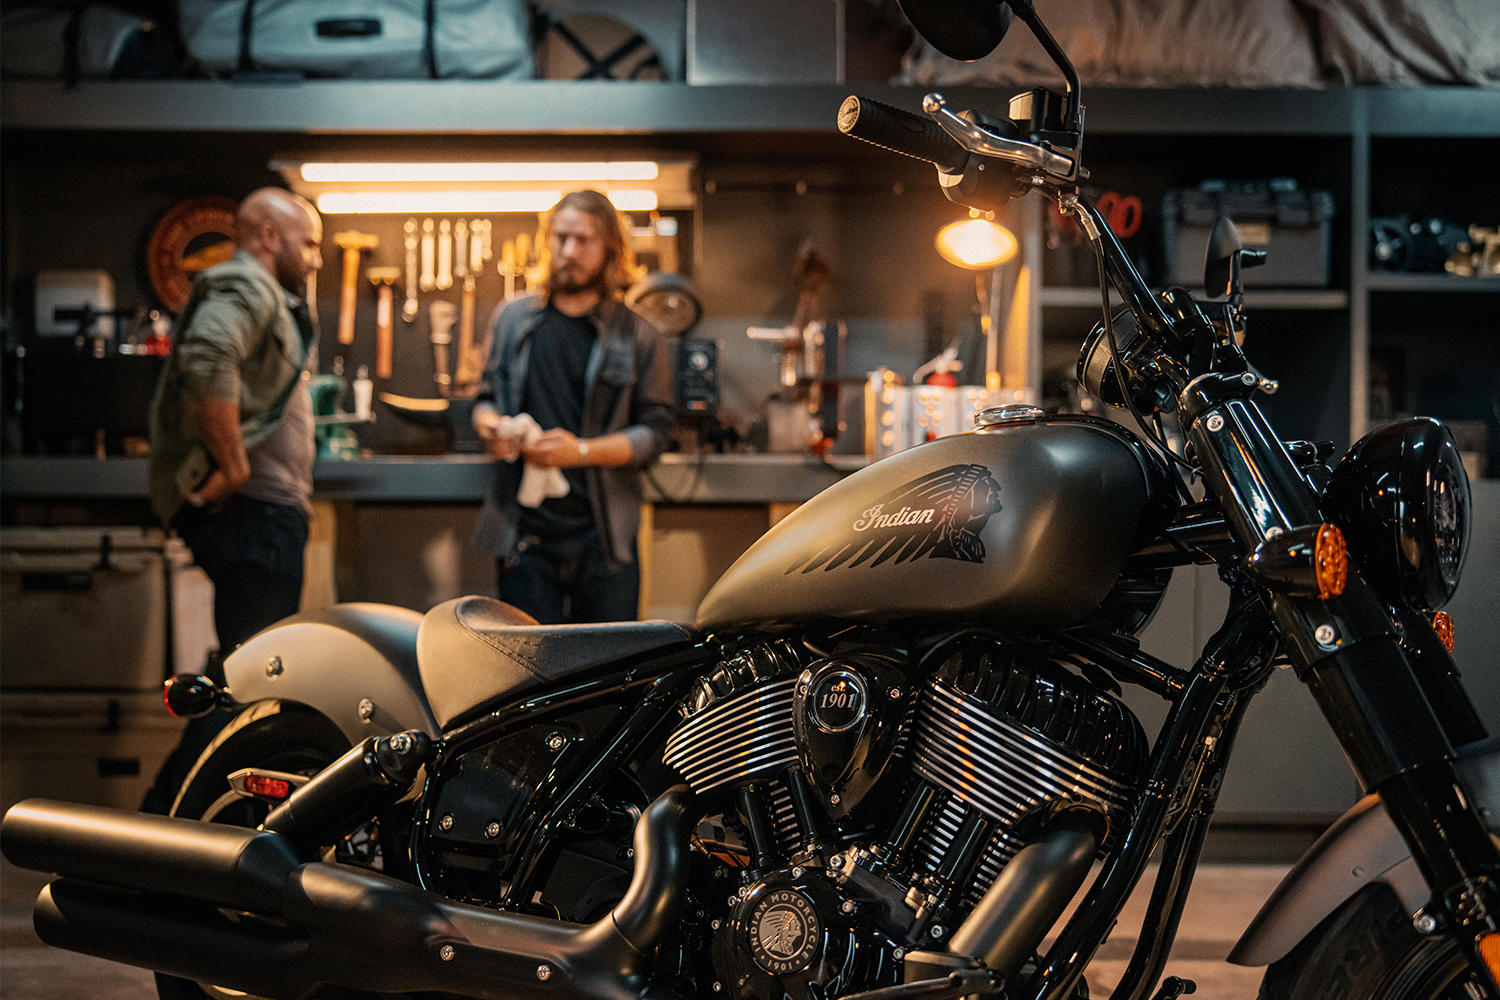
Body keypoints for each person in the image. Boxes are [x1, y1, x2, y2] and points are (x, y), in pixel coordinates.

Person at [142, 186, 323, 812]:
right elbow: (207, 353)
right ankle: (166, 833)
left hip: (263, 517)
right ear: (269, 237)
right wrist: (235, 463)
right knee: (246, 687)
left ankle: (171, 831)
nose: (317, 258)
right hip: (256, 516)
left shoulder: (260, 292)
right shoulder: (246, 283)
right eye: (310, 243)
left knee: (242, 678)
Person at [472, 189, 674, 624]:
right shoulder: (512, 319)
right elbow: (485, 397)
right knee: (525, 680)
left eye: (583, 240)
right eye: (560, 238)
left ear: (610, 250)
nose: (568, 251)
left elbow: (655, 434)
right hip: (524, 540)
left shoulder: (640, 334)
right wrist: (491, 427)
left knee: (607, 681)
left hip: (604, 544)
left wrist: (580, 452)